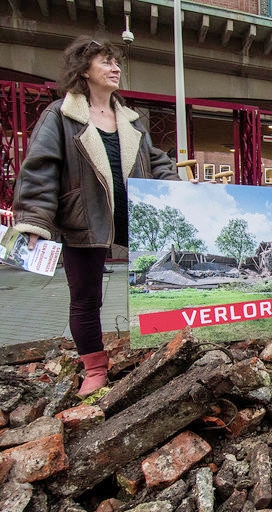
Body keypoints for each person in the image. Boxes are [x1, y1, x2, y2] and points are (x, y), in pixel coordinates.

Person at [12, 37, 180, 396]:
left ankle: (166, 353)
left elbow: (159, 164)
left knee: (162, 287)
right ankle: (94, 368)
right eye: (105, 62)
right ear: (84, 70)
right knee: (86, 297)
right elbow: (39, 169)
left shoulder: (131, 120)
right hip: (84, 218)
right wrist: (35, 220)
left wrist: (179, 196)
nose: (115, 68)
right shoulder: (61, 115)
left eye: (116, 63)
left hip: (138, 218)